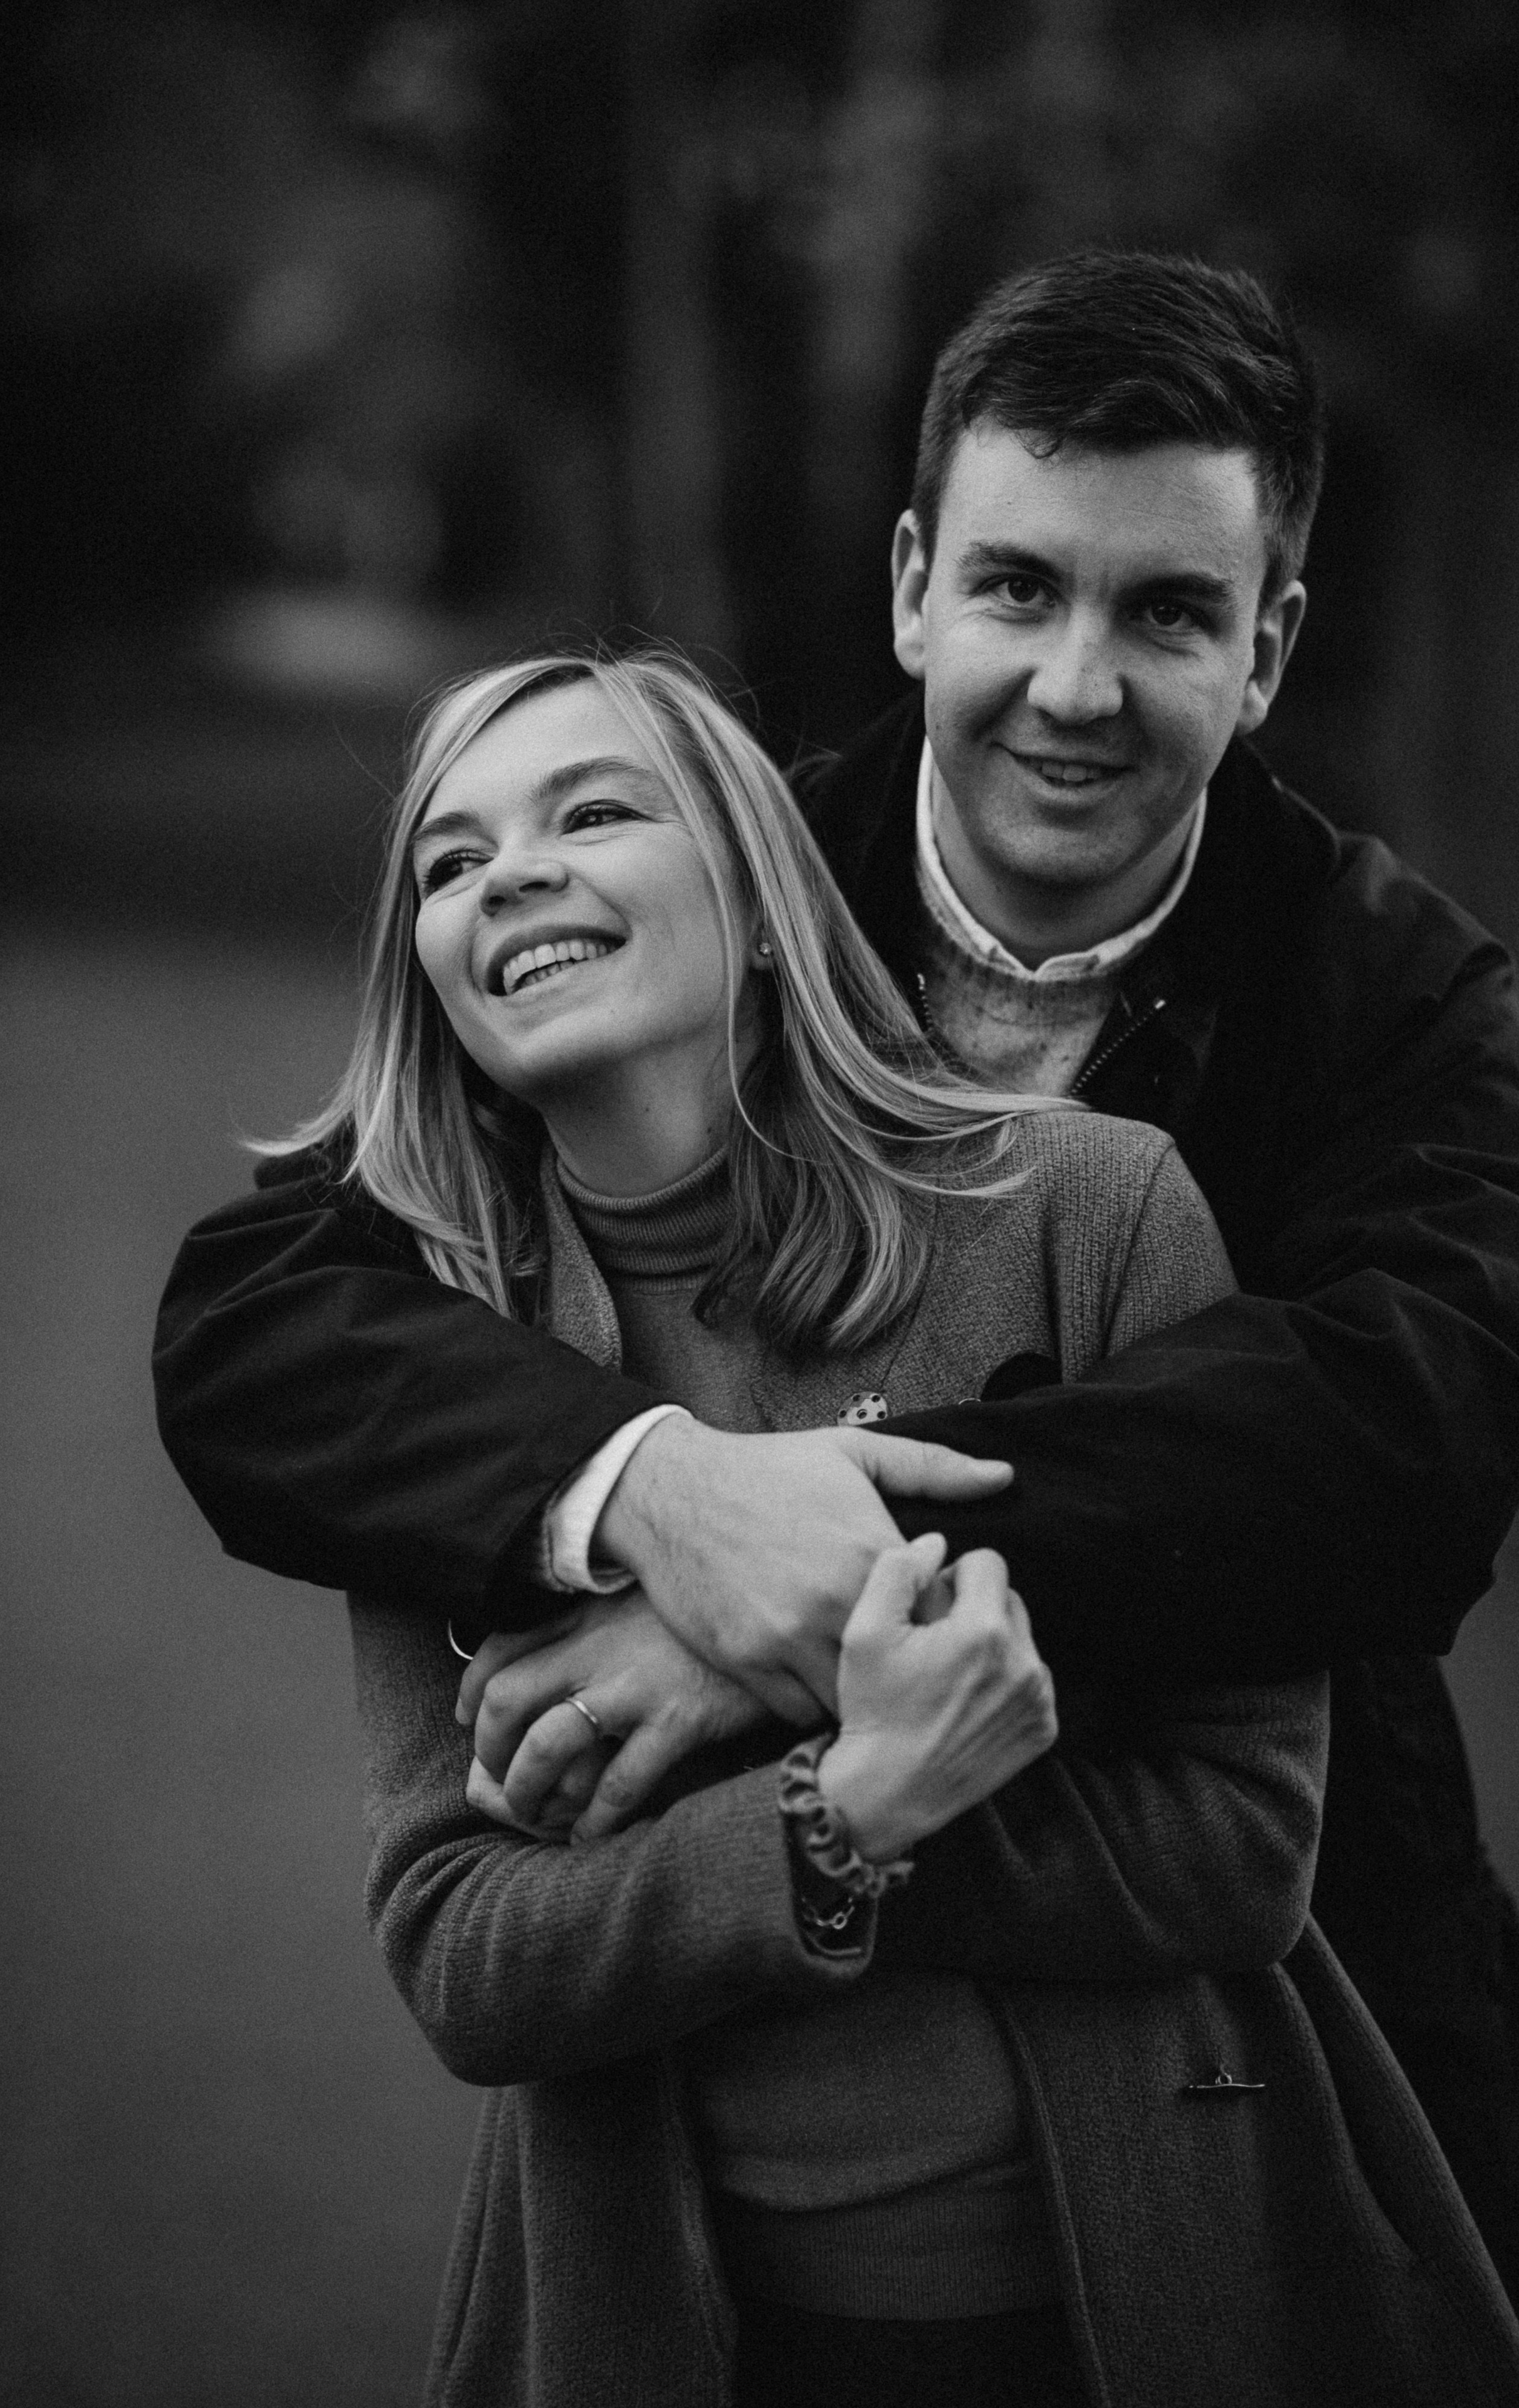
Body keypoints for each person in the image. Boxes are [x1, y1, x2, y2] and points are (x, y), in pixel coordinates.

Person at [153, 253, 1519, 2288]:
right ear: (909, 586)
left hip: (1292, 2007)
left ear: (1270, 648)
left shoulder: (1404, 1006)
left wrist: (761, 1604)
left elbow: (1399, 1445)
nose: (1074, 684)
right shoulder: (712, 896)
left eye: (1168, 612)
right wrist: (660, 1493)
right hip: (731, 2159)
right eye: (1017, 587)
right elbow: (268, 1315)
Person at [317, 645, 1512, 2405]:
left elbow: (1243, 1843)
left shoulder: (1090, 1209)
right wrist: (839, 1818)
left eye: (593, 811)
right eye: (452, 858)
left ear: (755, 881)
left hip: (1155, 2294)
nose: (516, 874)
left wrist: (791, 1756)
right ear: (431, 970)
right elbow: (467, 1954)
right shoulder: (427, 1362)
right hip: (680, 2322)